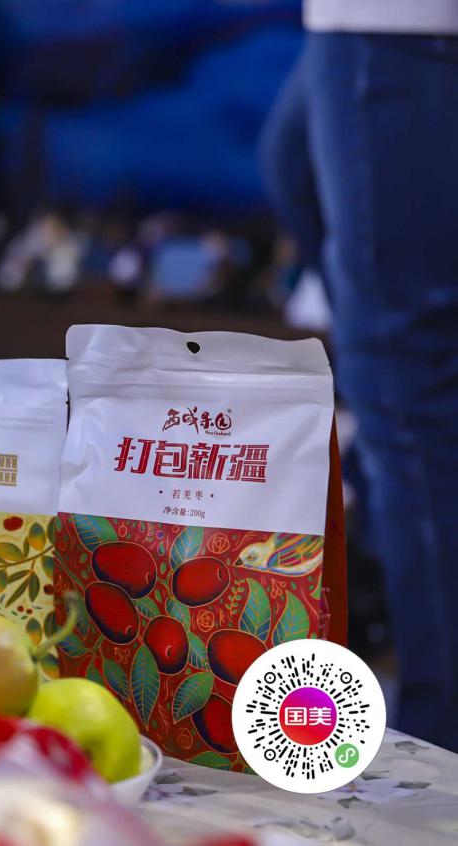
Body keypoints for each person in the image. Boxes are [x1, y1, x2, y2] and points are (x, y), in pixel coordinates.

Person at [260, 2, 458, 751]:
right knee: (292, 165)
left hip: (401, 24)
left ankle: (441, 733)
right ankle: (389, 524)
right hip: (360, 26)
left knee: (405, 378)